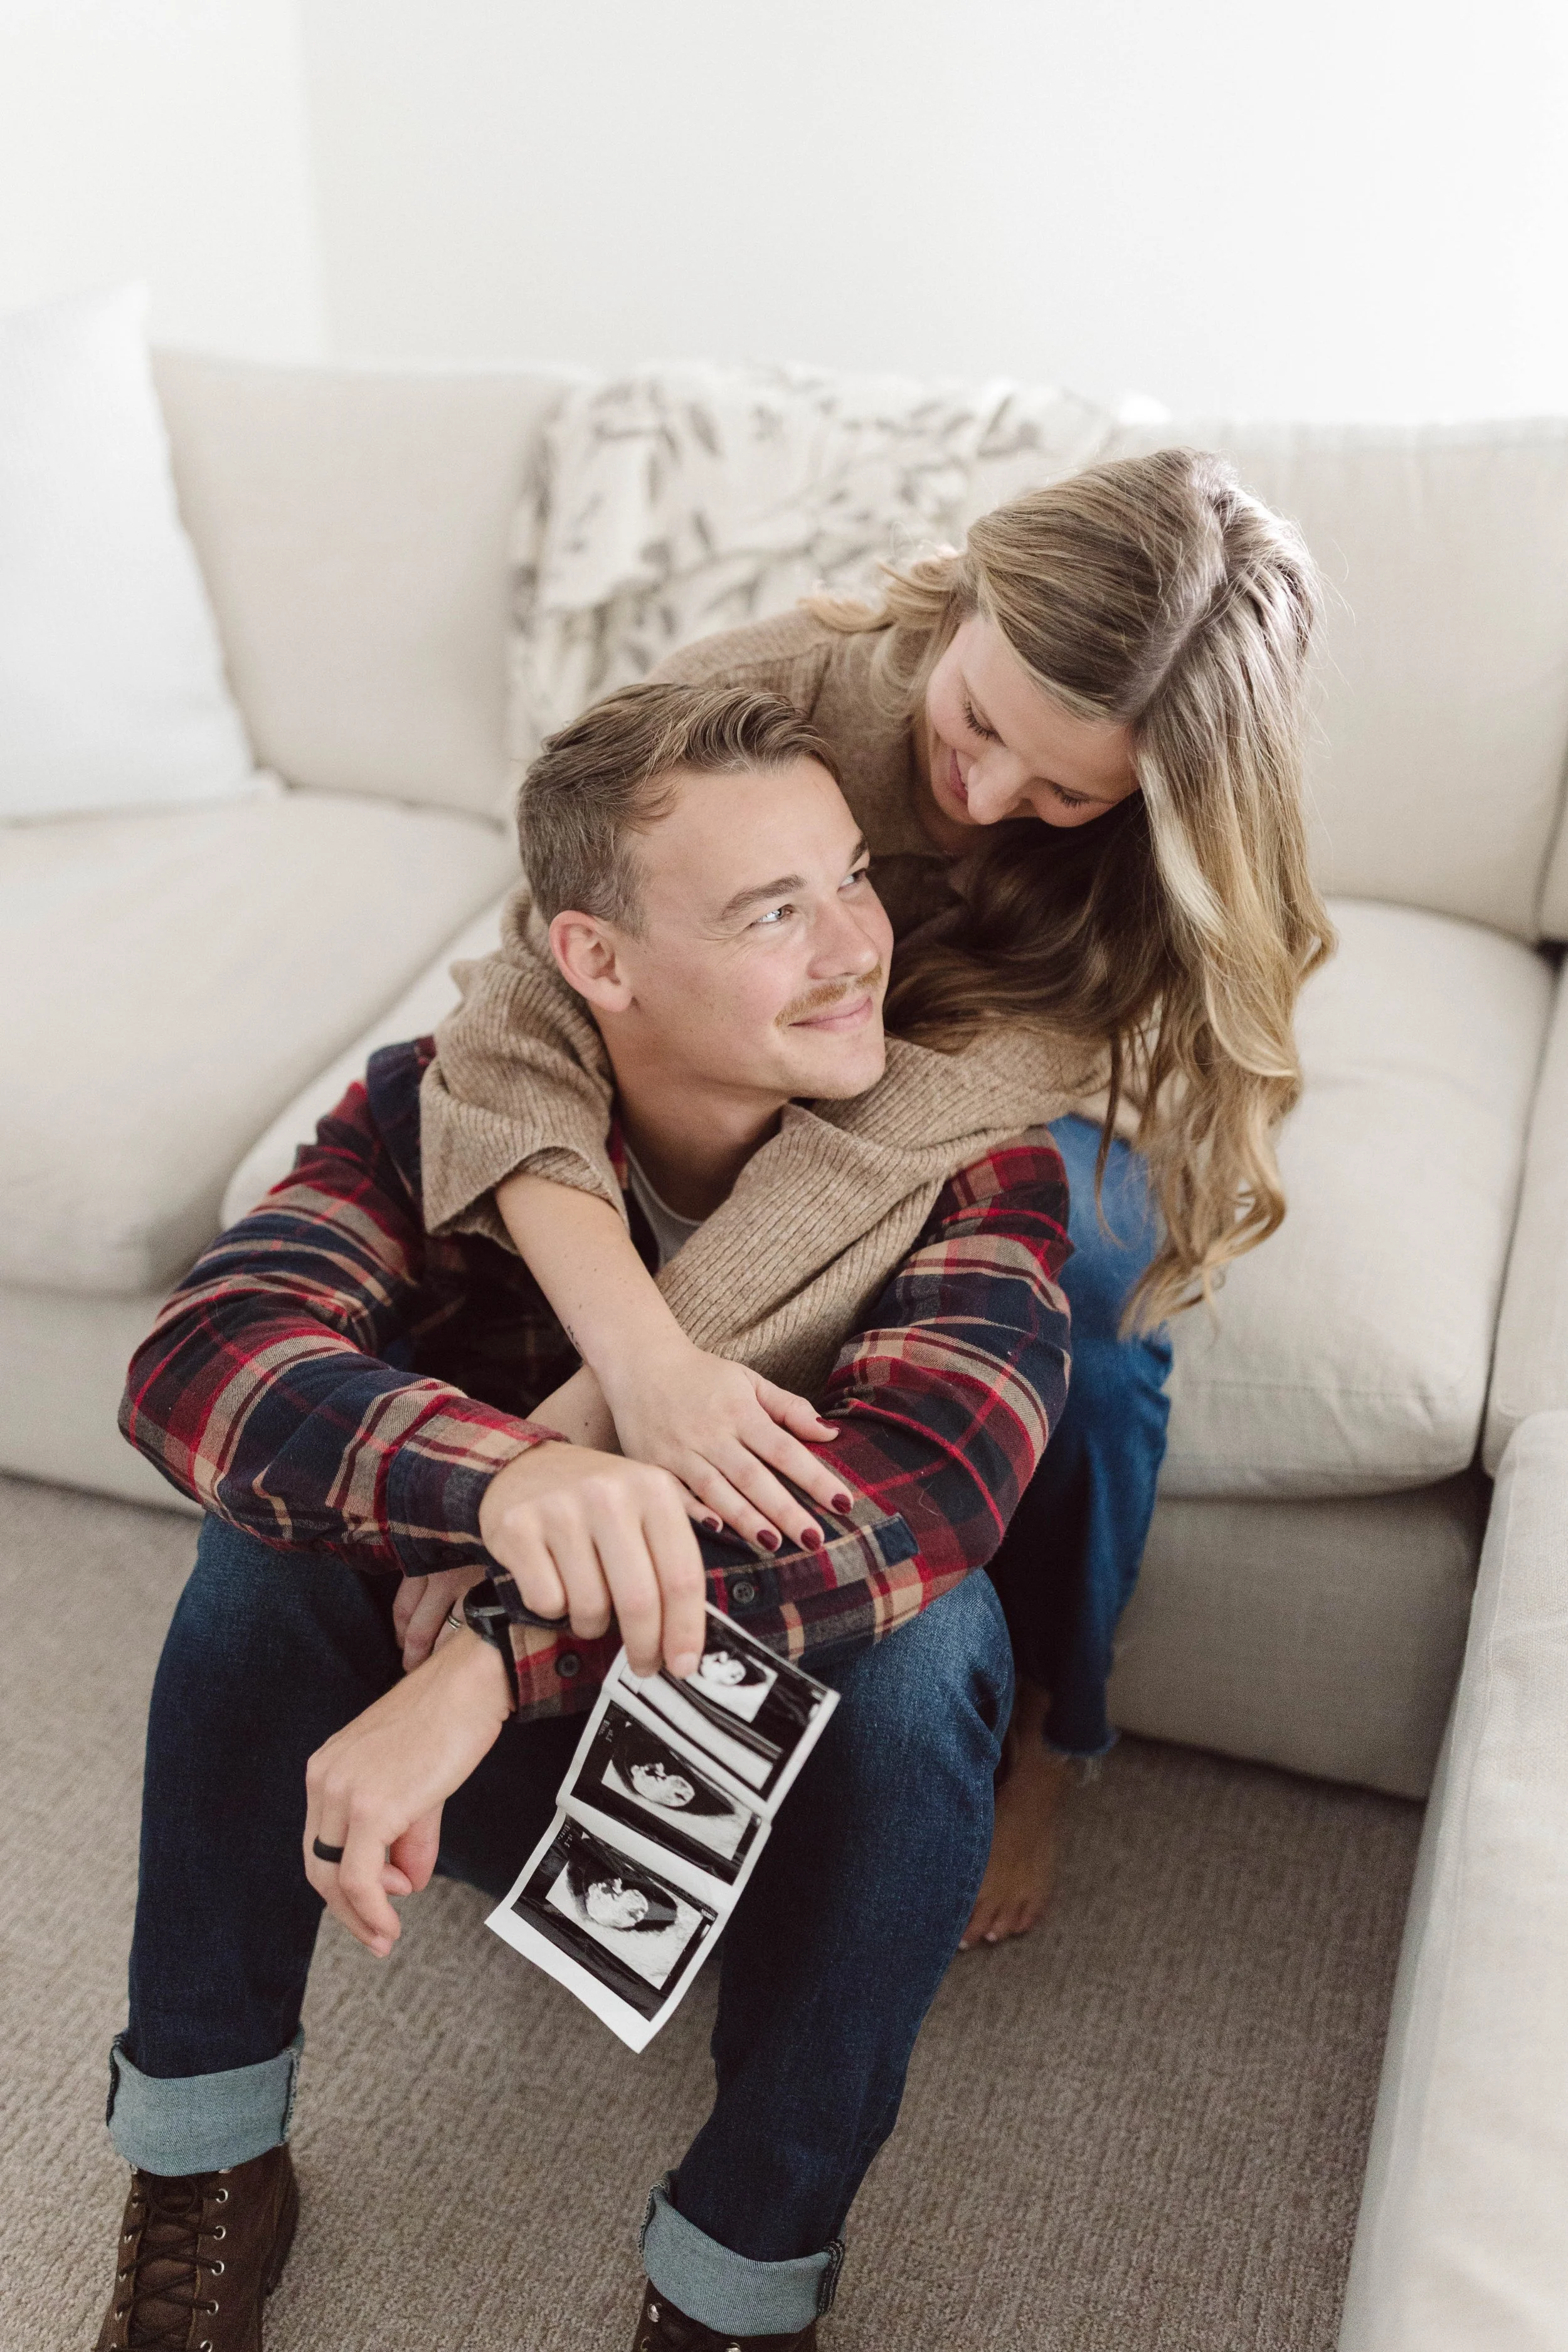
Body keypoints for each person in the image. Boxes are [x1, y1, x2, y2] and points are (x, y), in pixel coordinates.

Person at [95, 683, 1075, 2352]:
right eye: (777, 910)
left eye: (853, 877)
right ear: (595, 961)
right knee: (266, 1545)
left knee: (936, 1638)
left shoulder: (970, 1161)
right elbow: (207, 1357)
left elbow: (923, 1492)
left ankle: (734, 2283)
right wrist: (514, 1476)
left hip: (763, 1807)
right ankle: (204, 2166)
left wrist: (487, 1648)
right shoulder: (435, 1102)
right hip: (481, 1799)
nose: (855, 946)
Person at [420, 448, 1332, 1946]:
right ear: (963, 588)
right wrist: (615, 1395)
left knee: (1090, 1334)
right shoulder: (761, 692)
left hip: (961, 1102)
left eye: (1060, 789)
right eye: (977, 725)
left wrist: (599, 1419)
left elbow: (866, 1157)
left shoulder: (1138, 878)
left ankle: (1041, 1728)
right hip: (756, 1063)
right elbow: (516, 1024)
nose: (985, 793)